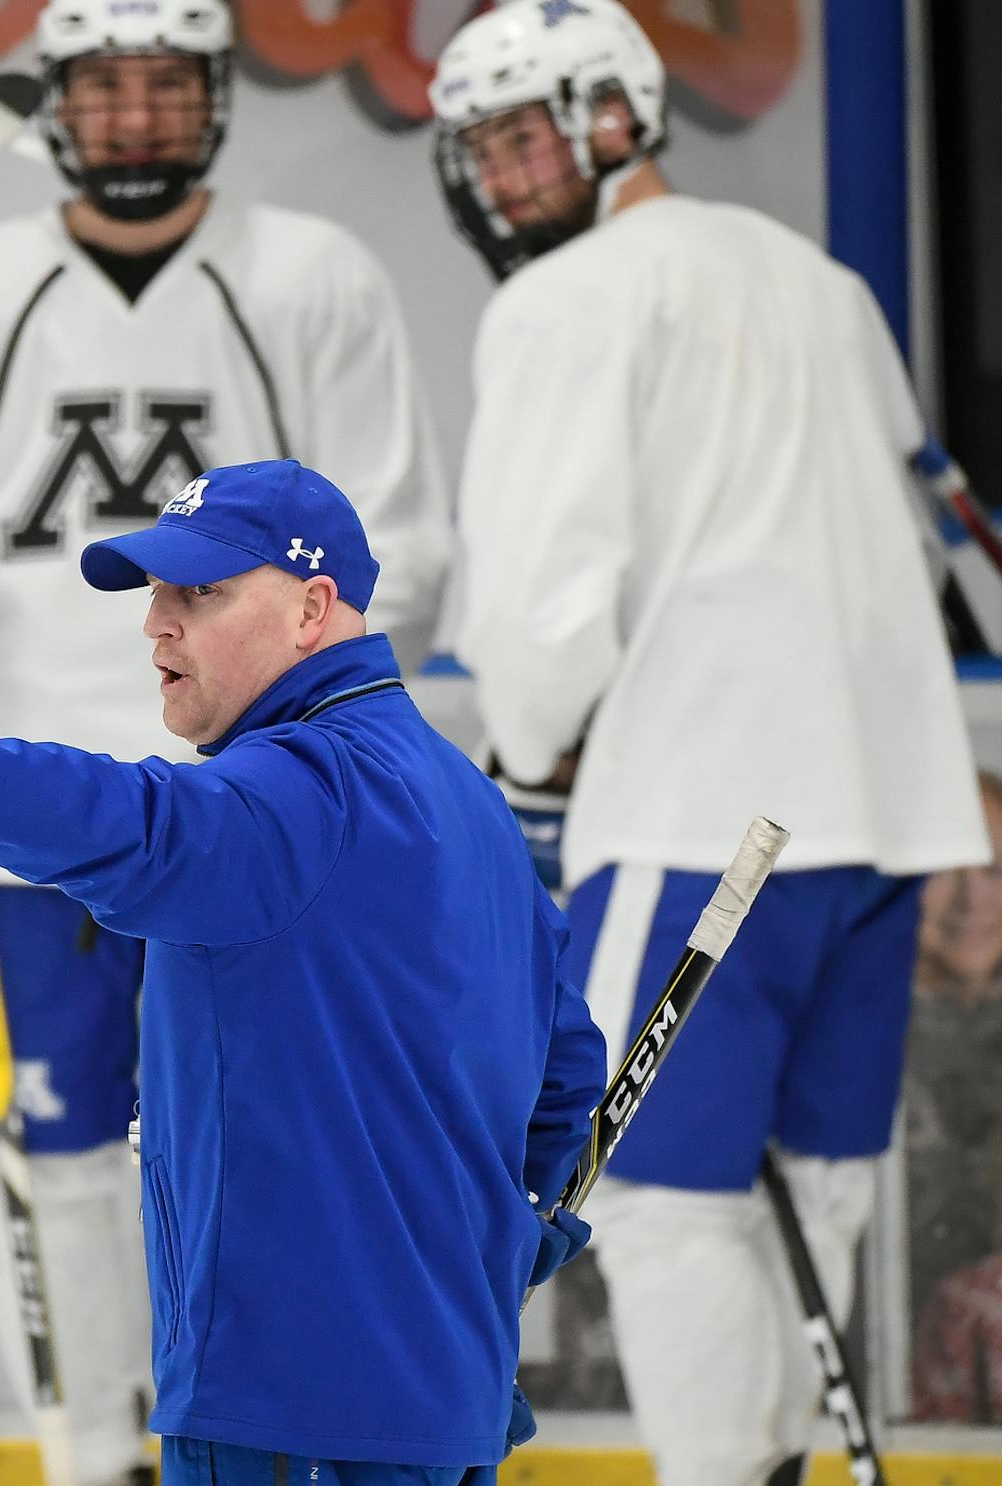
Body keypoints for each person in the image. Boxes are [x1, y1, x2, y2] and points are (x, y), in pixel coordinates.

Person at [0, 3, 450, 1473]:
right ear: (63, 108)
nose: (141, 118)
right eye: (109, 90)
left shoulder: (315, 279)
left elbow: (400, 553)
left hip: (256, 827)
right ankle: (92, 1457)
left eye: (169, 87)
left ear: (215, 96)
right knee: (42, 1174)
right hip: (31, 813)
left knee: (268, 1167)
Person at [0, 459, 604, 1486]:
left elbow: (124, 819)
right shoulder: (470, 804)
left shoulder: (294, 796)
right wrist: (483, 1287)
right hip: (445, 1408)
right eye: (157, 592)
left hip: (280, 1411)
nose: (158, 623)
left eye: (201, 593)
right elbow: (563, 1082)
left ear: (313, 608)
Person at [429, 4, 992, 1483]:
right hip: (871, 821)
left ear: (619, 114)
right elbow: (936, 529)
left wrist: (532, 764)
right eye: (483, 144)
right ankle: (776, 1466)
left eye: (526, 132)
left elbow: (546, 599)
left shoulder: (560, 304)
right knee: (827, 1186)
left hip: (697, 823)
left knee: (664, 1203)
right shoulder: (823, 283)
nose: (503, 172)